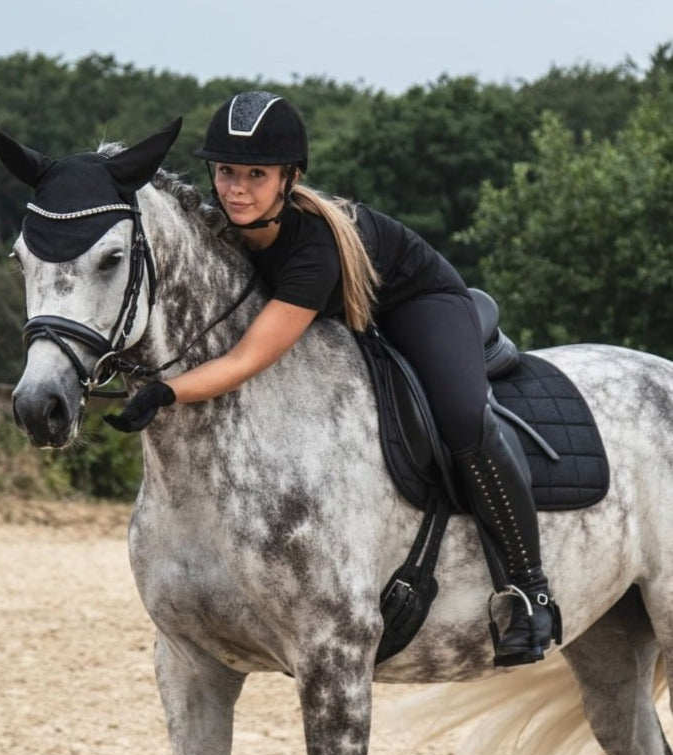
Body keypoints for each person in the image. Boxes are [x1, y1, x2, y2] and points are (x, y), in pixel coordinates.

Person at [105, 90, 560, 667]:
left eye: (255, 174)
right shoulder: (224, 229)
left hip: (417, 302)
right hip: (347, 319)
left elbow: (246, 359)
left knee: (463, 418)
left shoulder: (312, 248)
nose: (235, 188)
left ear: (289, 177)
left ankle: (529, 590)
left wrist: (166, 390)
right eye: (225, 171)